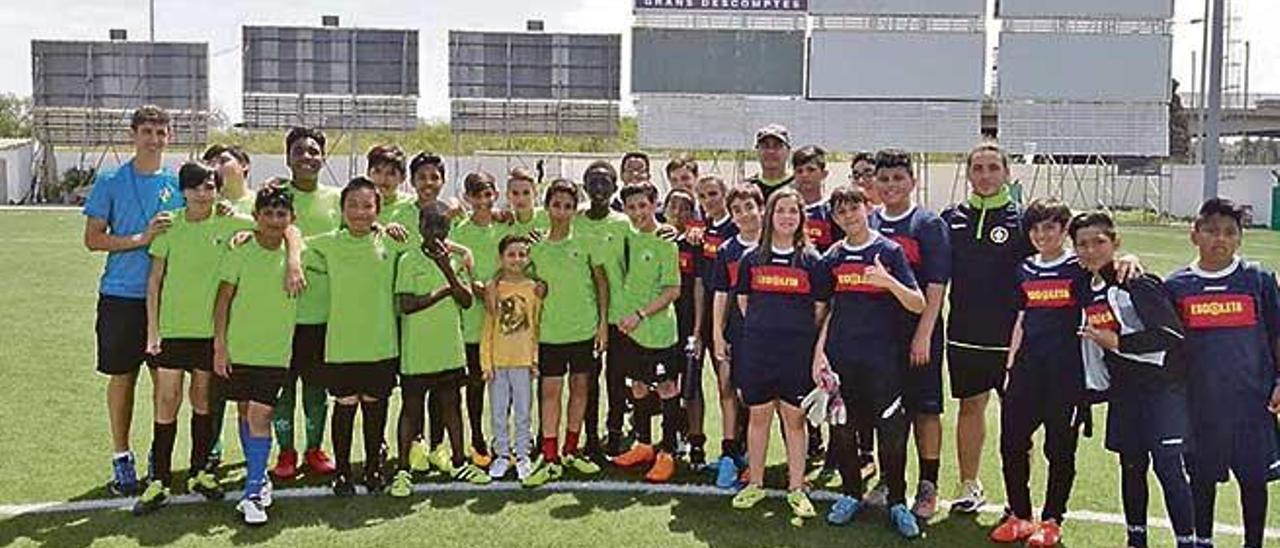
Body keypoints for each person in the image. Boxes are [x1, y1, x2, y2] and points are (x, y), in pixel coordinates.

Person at [132, 161, 253, 515]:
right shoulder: (170, 224)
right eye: (198, 186)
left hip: (208, 334)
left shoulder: (229, 221)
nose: (205, 193)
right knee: (167, 400)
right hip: (171, 331)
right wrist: (153, 329)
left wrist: (245, 230)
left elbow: (273, 227)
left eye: (211, 186)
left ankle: (200, 471)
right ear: (184, 190)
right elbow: (154, 280)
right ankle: (160, 478)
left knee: (202, 400)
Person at [1072, 211, 1195, 548]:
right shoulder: (1085, 286)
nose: (1091, 250)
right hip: (1124, 394)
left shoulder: (1137, 281)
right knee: (1131, 466)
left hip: (1163, 390)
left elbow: (1171, 335)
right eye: (1082, 244)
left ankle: (1187, 541)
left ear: (1115, 243)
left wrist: (1119, 343)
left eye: (1099, 242)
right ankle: (1135, 539)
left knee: (1169, 470)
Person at [1164, 198, 1280, 548]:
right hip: (1199, 406)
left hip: (1252, 405)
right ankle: (1203, 541)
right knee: (1200, 480)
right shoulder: (1177, 286)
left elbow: (1277, 334)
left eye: (1230, 232)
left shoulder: (1257, 279)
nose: (1221, 239)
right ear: (1194, 235)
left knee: (1253, 481)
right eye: (1211, 230)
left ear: (1240, 239)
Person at [83, 105, 186, 496]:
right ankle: (121, 456)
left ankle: (159, 461)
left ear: (169, 136)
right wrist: (140, 239)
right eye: (147, 131)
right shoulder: (110, 180)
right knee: (122, 377)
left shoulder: (178, 183)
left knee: (168, 382)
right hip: (121, 296)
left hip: (168, 300)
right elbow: (93, 239)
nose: (154, 139)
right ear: (134, 134)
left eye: (161, 132)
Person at [815, 186, 924, 539]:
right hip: (843, 361)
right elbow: (827, 311)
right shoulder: (832, 257)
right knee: (844, 431)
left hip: (885, 363)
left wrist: (887, 281)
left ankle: (896, 500)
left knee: (891, 434)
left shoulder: (888, 251)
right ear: (834, 218)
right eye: (841, 212)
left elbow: (918, 303)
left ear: (868, 208)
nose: (849, 216)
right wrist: (820, 354)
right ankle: (850, 494)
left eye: (854, 208)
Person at [990, 199, 1087, 547]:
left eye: (1049, 227)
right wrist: (1010, 365)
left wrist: (1129, 261)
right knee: (1012, 442)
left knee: (1060, 448)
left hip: (1065, 374)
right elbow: (1021, 318)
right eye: (1035, 228)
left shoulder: (1080, 269)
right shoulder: (1025, 270)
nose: (1041, 234)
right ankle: (1019, 514)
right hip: (1027, 370)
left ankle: (1052, 519)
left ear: (1064, 229)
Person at [303, 177, 409, 495]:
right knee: (345, 405)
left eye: (367, 206)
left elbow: (430, 245)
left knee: (376, 407)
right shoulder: (328, 243)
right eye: (353, 205)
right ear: (342, 209)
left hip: (381, 343)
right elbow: (292, 238)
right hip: (341, 344)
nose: (360, 212)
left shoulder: (391, 242)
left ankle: (374, 468)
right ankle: (344, 472)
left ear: (378, 209)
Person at [731, 188, 831, 519]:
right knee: (758, 419)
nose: (787, 216)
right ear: (769, 216)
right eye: (780, 210)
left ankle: (797, 488)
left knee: (794, 421)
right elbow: (744, 303)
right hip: (758, 351)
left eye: (793, 211)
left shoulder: (812, 260)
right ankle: (755, 483)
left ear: (801, 217)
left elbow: (820, 310)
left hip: (796, 354)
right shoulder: (751, 259)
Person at [869, 149, 950, 518]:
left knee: (925, 409)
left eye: (898, 178)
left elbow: (936, 285)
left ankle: (928, 485)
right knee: (886, 410)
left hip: (919, 331)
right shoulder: (868, 220)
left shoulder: (928, 224)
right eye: (883, 179)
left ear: (912, 182)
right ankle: (889, 479)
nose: (891, 185)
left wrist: (924, 333)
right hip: (878, 336)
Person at [211, 186, 298, 525]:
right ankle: (259, 478)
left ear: (290, 218)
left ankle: (251, 495)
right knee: (245, 413)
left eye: (281, 214)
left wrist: (294, 257)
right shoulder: (241, 250)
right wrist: (220, 345)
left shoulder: (297, 254)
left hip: (275, 355)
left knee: (261, 417)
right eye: (268, 214)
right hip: (239, 350)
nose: (275, 220)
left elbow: (307, 238)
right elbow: (223, 301)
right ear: (257, 216)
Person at [390, 200, 489, 497]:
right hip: (417, 351)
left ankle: (459, 461)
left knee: (451, 405)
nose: (436, 232)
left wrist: (447, 270)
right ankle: (403, 471)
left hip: (449, 348)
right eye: (430, 225)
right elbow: (406, 304)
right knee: (411, 410)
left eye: (442, 226)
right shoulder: (408, 259)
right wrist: (443, 291)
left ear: (449, 228)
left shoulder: (456, 260)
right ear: (419, 226)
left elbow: (467, 300)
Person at [524, 179, 609, 486]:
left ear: (576, 210)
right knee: (550, 393)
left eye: (569, 206)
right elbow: (527, 283)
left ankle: (571, 450)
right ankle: (549, 456)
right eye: (557, 205)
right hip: (550, 333)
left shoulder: (586, 241)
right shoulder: (535, 246)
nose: (562, 212)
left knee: (581, 389)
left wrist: (601, 325)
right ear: (547, 207)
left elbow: (601, 282)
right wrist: (537, 287)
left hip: (583, 330)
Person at [271, 127, 339, 481]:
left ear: (323, 158)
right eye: (299, 151)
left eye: (314, 151)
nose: (307, 157)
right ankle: (285, 452)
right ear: (288, 158)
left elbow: (349, 238)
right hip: (280, 311)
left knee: (316, 387)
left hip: (320, 312)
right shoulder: (276, 196)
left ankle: (314, 448)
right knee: (282, 388)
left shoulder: (338, 199)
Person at [610, 182, 684, 483]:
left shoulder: (666, 240)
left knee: (666, 388)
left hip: (658, 331)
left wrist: (641, 314)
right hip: (630, 331)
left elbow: (674, 290)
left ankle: (668, 452)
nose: (638, 212)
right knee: (638, 385)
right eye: (631, 207)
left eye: (643, 205)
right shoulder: (626, 236)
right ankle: (643, 444)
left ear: (655, 205)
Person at [450, 171, 509, 469]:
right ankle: (476, 439)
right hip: (473, 320)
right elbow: (456, 269)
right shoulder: (459, 231)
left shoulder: (503, 227)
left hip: (503, 320)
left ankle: (504, 440)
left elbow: (512, 262)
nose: (483, 201)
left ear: (495, 195)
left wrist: (494, 287)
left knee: (505, 385)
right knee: (475, 383)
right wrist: (473, 286)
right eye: (477, 196)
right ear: (468, 198)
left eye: (488, 195)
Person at [576, 162, 632, 458]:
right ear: (584, 187)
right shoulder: (574, 221)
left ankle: (615, 432)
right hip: (587, 315)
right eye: (593, 183)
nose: (599, 189)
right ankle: (591, 435)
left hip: (620, 315)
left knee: (617, 377)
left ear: (615, 188)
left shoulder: (623, 223)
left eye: (605, 183)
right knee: (589, 378)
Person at [707, 183, 762, 489]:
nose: (744, 214)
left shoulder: (774, 243)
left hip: (766, 335)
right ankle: (730, 453)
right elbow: (719, 293)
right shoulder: (728, 249)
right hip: (735, 333)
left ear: (761, 208)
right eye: (737, 210)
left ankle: (755, 458)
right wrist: (717, 332)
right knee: (728, 390)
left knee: (757, 398)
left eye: (749, 207)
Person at [791, 144, 840, 467]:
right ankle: (812, 443)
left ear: (823, 172)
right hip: (796, 307)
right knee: (801, 375)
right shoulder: (789, 209)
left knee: (833, 374)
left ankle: (844, 446)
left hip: (832, 305)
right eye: (800, 170)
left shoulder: (832, 211)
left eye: (812, 169)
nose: (806, 176)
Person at [481, 235, 544, 481]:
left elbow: (536, 326)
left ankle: (522, 454)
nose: (517, 259)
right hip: (497, 363)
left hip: (523, 363)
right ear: (501, 258)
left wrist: (534, 359)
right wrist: (486, 362)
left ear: (528, 258)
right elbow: (488, 328)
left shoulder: (533, 288)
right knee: (498, 411)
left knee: (523, 411)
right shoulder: (494, 288)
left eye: (522, 254)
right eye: (511, 254)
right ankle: (502, 455)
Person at [687, 175, 739, 471]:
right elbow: (698, 282)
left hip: (731, 322)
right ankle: (696, 444)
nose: (710, 200)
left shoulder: (736, 229)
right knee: (693, 382)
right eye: (704, 196)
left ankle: (732, 449)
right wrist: (697, 328)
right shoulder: (701, 231)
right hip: (703, 320)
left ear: (725, 194)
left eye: (714, 194)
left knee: (728, 386)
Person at [665, 189, 708, 468]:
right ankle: (669, 440)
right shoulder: (657, 239)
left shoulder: (695, 244)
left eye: (686, 208)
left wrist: (697, 329)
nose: (679, 213)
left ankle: (696, 442)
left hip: (686, 324)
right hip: (661, 325)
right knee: (665, 384)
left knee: (691, 386)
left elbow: (698, 288)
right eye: (674, 207)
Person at [366, 144, 417, 225]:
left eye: (391, 173)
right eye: (377, 171)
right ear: (368, 173)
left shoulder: (412, 207)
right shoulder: (353, 204)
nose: (383, 179)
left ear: (402, 178)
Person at [203, 144, 254, 215]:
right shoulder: (204, 203)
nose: (216, 167)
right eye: (211, 164)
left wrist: (235, 216)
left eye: (223, 161)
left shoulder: (261, 201)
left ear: (244, 165)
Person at [506, 167, 549, 237]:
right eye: (515, 193)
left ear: (535, 193)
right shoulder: (504, 223)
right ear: (508, 195)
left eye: (526, 193)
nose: (521, 199)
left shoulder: (549, 216)